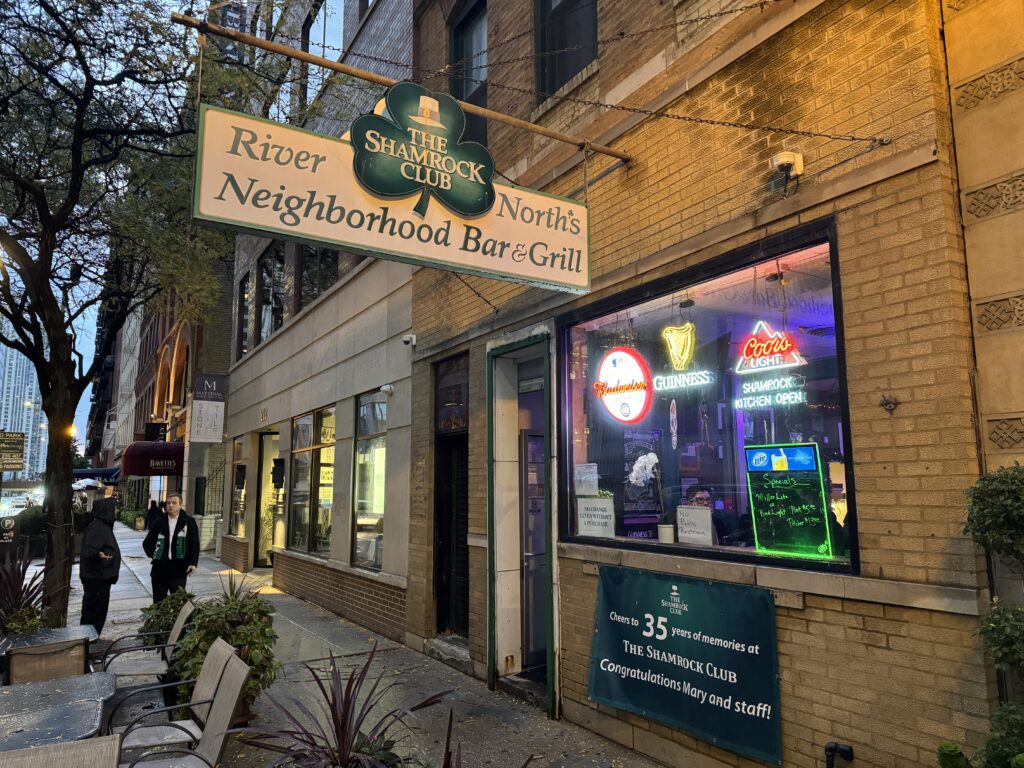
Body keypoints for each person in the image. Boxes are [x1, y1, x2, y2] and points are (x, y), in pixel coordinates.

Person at [143, 493, 199, 603]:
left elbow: (194, 544)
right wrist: (155, 555)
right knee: (159, 603)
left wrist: (193, 563)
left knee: (178, 603)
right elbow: (147, 543)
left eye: (174, 503)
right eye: (168, 503)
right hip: (160, 569)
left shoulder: (188, 522)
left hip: (179, 569)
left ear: (180, 505)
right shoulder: (159, 521)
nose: (170, 505)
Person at [80, 485, 121, 635]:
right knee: (94, 614)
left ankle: (90, 638)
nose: (116, 512)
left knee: (97, 613)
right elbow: (89, 550)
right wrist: (99, 555)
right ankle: (88, 640)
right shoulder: (97, 527)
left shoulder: (101, 526)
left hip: (100, 578)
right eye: (114, 509)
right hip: (96, 579)